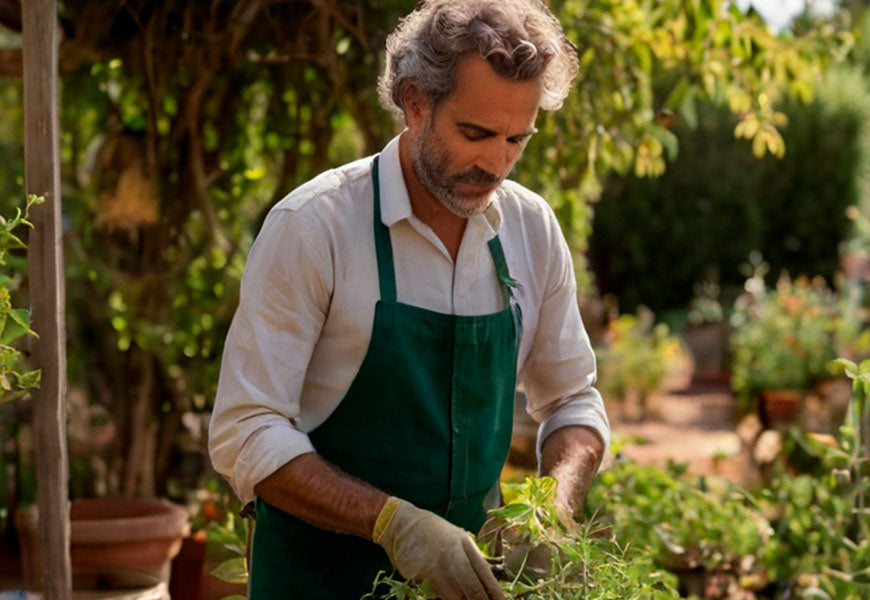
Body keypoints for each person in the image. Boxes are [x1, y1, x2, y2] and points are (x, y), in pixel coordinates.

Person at [208, 1, 610, 598]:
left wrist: (553, 506)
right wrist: (392, 523)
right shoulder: (315, 226)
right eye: (475, 133)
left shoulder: (531, 230)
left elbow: (573, 398)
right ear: (416, 101)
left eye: (516, 138)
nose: (496, 162)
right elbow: (246, 428)